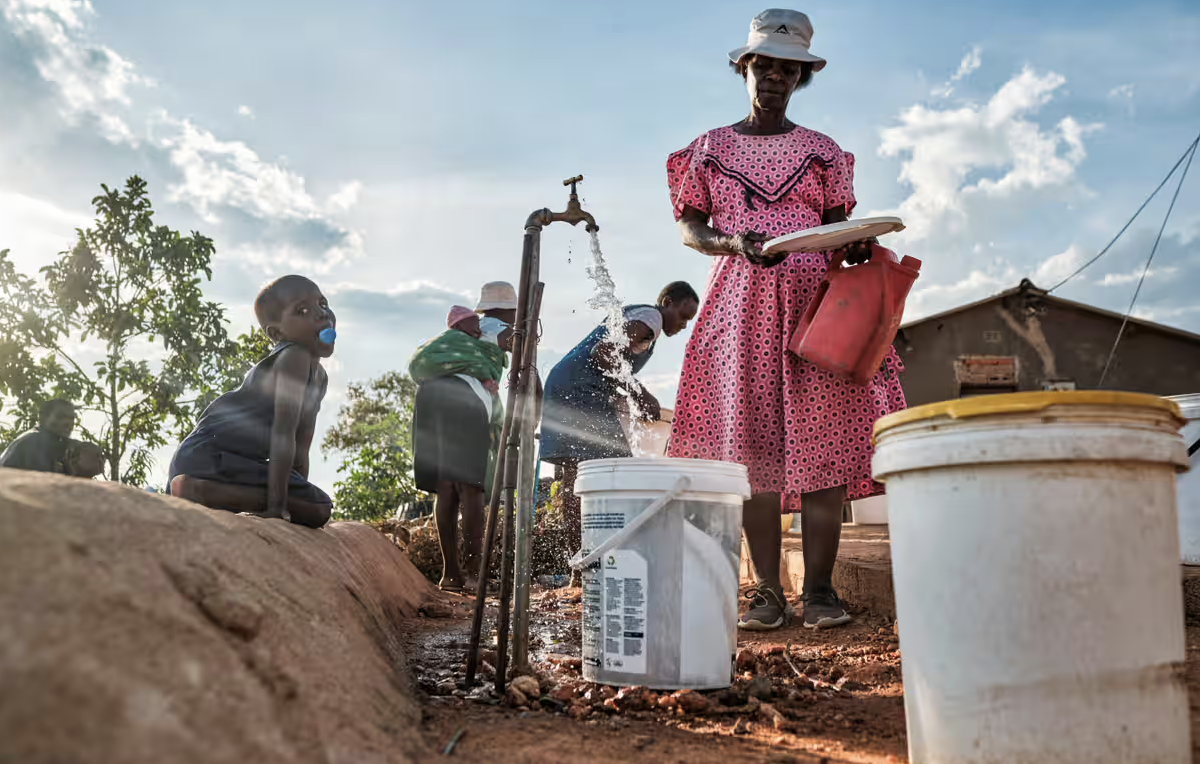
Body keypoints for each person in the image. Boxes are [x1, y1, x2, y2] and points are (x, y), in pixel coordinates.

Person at [665, 9, 907, 631]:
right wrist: (729, 243)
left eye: (787, 68)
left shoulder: (823, 152)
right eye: (763, 64)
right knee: (755, 451)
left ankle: (821, 591)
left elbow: (838, 228)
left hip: (816, 308)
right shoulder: (710, 149)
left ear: (801, 77)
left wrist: (853, 246)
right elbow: (691, 227)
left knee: (823, 445)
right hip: (740, 305)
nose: (774, 75)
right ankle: (769, 592)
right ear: (744, 68)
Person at [540, 281, 700, 555]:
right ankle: (600, 557)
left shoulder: (643, 320)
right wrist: (640, 393)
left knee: (579, 476)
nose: (684, 325)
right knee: (611, 471)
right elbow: (603, 353)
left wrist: (627, 398)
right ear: (668, 302)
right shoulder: (650, 318)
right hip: (578, 391)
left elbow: (608, 363)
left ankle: (580, 561)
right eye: (683, 316)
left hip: (567, 386)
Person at [168, 275, 335, 529]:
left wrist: (297, 494)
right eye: (302, 310)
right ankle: (198, 490)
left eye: (322, 303)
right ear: (277, 333)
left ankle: (207, 490)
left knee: (317, 509)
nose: (321, 314)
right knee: (318, 508)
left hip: (228, 461)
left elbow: (301, 447)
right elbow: (283, 434)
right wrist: (277, 508)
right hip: (208, 456)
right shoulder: (293, 357)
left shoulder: (320, 378)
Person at [409, 304, 509, 593]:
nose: (477, 329)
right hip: (463, 402)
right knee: (471, 488)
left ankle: (451, 575)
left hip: (429, 400)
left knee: (447, 487)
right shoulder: (494, 327)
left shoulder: (442, 350)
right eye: (471, 325)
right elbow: (515, 343)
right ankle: (474, 575)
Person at [1, 399, 80, 474]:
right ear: (42, 418)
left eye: (71, 418)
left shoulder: (49, 441)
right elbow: (45, 481)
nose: (67, 422)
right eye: (60, 417)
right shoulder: (34, 441)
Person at [475, 281, 518, 350]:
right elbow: (525, 349)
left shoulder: (476, 326)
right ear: (506, 309)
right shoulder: (504, 330)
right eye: (515, 310)